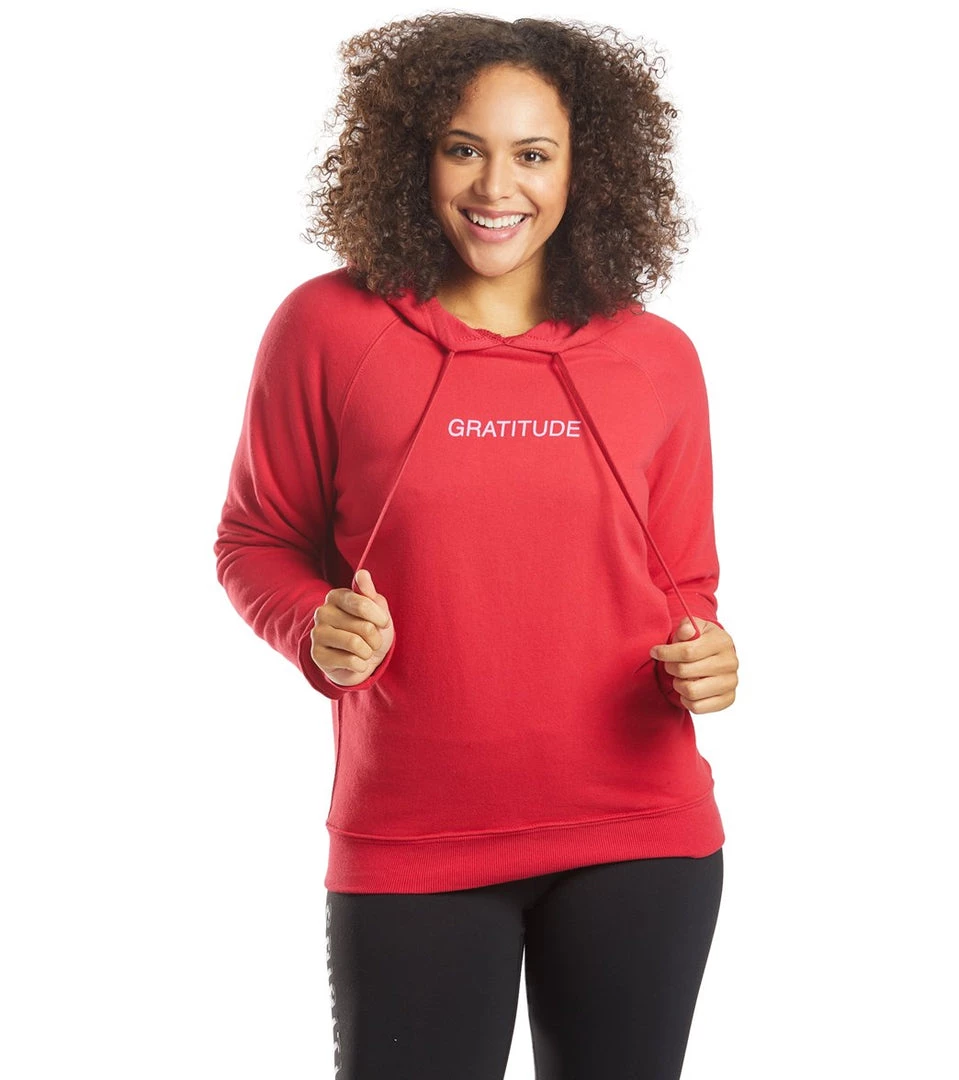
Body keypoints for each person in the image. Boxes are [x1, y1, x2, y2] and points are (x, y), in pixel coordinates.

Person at [213, 12, 739, 1079]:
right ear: (413, 155)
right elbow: (256, 539)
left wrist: (709, 655)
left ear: (586, 169)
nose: (496, 187)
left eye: (533, 154)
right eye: (463, 148)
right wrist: (313, 626)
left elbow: (681, 579)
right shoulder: (329, 329)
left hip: (642, 834)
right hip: (413, 840)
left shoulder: (656, 357)